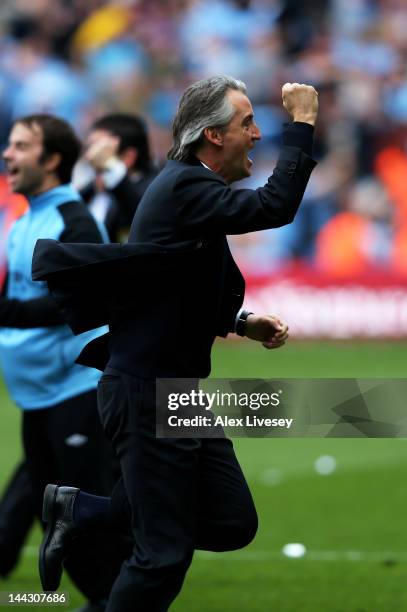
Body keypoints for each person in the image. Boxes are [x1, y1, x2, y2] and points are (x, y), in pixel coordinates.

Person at [37, 76, 318, 611]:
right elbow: (275, 206)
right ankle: (80, 514)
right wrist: (301, 125)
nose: (256, 135)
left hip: (177, 392)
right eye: (246, 124)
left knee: (232, 520)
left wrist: (240, 321)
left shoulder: (189, 191)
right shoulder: (186, 187)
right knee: (161, 555)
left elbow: (178, 284)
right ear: (213, 136)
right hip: (148, 393)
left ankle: (79, 511)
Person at [0, 114, 128, 611]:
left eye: (21, 146)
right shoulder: (22, 218)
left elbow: (75, 303)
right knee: (52, 511)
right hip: (37, 394)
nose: (8, 154)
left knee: (82, 505)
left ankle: (115, 599)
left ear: (52, 159)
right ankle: (103, 597)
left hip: (75, 389)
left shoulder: (72, 220)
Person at [76, 113, 157, 243]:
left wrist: (110, 165)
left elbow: (144, 218)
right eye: (88, 147)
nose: (89, 156)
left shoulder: (155, 190)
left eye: (99, 149)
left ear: (128, 157)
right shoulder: (91, 190)